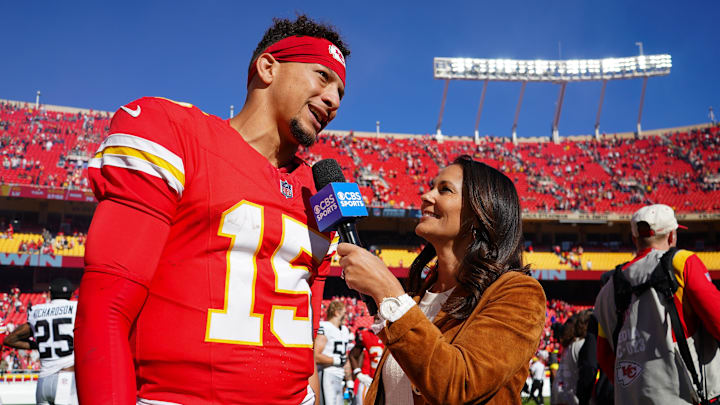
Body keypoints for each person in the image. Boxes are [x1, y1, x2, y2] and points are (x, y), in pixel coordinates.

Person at [74, 15, 349, 405]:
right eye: (322, 77)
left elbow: (308, 332)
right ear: (268, 67)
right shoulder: (176, 133)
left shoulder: (319, 193)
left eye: (340, 91)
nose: (334, 100)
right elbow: (106, 307)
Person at [337, 155, 546, 404]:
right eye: (430, 186)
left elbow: (459, 385)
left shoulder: (519, 293)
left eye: (444, 189)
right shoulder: (420, 295)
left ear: (482, 211)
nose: (426, 196)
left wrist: (389, 292)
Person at [594, 204, 720, 404]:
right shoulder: (683, 262)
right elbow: (717, 320)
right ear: (672, 236)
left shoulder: (606, 290)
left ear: (635, 239)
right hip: (684, 397)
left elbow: (604, 355)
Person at [3, 278, 78, 405]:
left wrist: (39, 345)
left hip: (43, 380)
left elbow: (10, 339)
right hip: (66, 378)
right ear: (71, 295)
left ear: (49, 293)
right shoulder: (76, 309)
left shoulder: (37, 311)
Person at [314, 300, 353, 405]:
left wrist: (349, 381)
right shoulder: (325, 327)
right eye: (344, 313)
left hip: (339, 376)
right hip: (327, 374)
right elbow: (315, 356)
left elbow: (345, 357)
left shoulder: (344, 330)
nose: (346, 316)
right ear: (336, 312)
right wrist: (336, 360)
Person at [349, 323, 385, 405]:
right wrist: (358, 373)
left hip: (385, 382)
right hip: (369, 381)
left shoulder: (391, 335)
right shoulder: (366, 336)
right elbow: (353, 355)